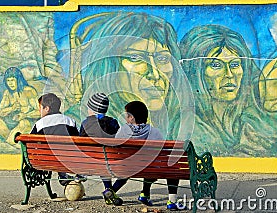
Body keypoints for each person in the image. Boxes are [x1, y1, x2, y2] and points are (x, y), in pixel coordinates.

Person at [65, 12, 194, 142]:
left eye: (162, 58)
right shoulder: (78, 117)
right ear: (110, 65)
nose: (155, 74)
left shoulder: (180, 122)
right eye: (136, 58)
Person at [179, 24, 263, 156]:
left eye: (235, 64)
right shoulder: (190, 126)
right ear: (195, 71)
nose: (229, 74)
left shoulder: (255, 119)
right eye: (216, 65)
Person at [115, 101, 183, 210]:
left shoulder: (123, 131)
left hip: (128, 167)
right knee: (172, 166)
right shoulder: (154, 132)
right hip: (150, 168)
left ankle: (145, 194)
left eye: (127, 115)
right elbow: (163, 152)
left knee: (148, 164)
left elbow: (116, 147)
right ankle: (172, 202)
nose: (125, 117)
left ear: (132, 118)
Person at [78, 93, 123, 205]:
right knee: (107, 161)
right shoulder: (113, 122)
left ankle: (109, 190)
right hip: (111, 161)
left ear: (91, 109)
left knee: (102, 162)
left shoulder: (85, 123)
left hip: (90, 161)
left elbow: (80, 142)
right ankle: (111, 190)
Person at [30, 92, 79, 186]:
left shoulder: (40, 124)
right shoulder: (70, 121)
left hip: (46, 160)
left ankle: (63, 175)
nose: (38, 110)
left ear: (47, 108)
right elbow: (78, 140)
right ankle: (63, 175)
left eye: (40, 108)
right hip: (69, 158)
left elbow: (31, 141)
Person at [0, 67, 39, 148]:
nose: (10, 83)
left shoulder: (28, 91)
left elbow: (39, 112)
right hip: (11, 123)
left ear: (18, 80)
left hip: (27, 123)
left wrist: (25, 115)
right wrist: (12, 108)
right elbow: (1, 112)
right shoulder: (8, 93)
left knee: (23, 123)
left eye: (12, 80)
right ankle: (11, 140)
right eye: (8, 81)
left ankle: (11, 142)